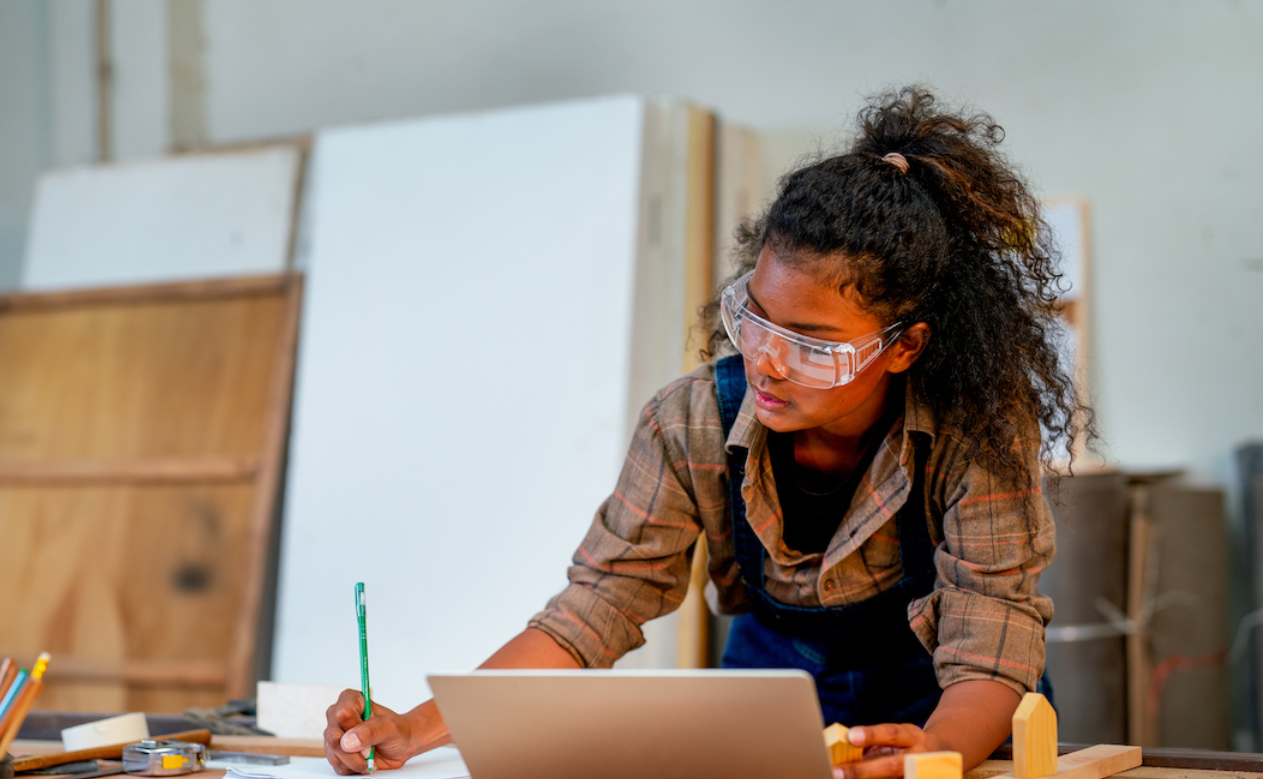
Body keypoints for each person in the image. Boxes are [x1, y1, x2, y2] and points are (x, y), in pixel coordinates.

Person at [323, 85, 1095, 779]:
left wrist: (940, 752)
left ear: (905, 347)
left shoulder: (973, 435)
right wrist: (416, 727)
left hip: (949, 709)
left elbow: (993, 643)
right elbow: (597, 606)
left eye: (814, 344)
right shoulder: (690, 420)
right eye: (755, 318)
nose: (769, 362)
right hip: (777, 698)